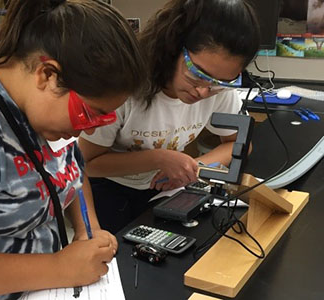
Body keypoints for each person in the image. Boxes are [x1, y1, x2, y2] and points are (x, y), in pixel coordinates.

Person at [0, 0, 147, 299]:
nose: (91, 129)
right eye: (90, 113)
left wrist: (87, 231)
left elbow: (72, 174)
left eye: (104, 118)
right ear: (47, 75)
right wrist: (59, 267)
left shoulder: (47, 115)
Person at [78, 0, 260, 234]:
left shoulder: (217, 89)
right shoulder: (126, 86)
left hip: (166, 190)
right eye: (197, 74)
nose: (204, 92)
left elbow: (240, 144)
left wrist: (191, 167)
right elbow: (86, 164)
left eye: (221, 83)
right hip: (110, 189)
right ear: (173, 47)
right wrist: (159, 159)